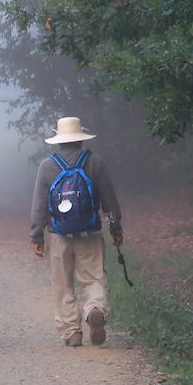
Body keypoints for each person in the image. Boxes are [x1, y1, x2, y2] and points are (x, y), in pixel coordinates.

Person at [29, 116, 123, 346]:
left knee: (62, 282)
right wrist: (115, 228)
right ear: (81, 139)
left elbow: (39, 205)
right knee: (93, 278)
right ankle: (95, 308)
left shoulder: (47, 166)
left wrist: (37, 235)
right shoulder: (95, 163)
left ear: (59, 141)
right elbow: (109, 201)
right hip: (90, 232)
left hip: (59, 234)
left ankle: (71, 331)